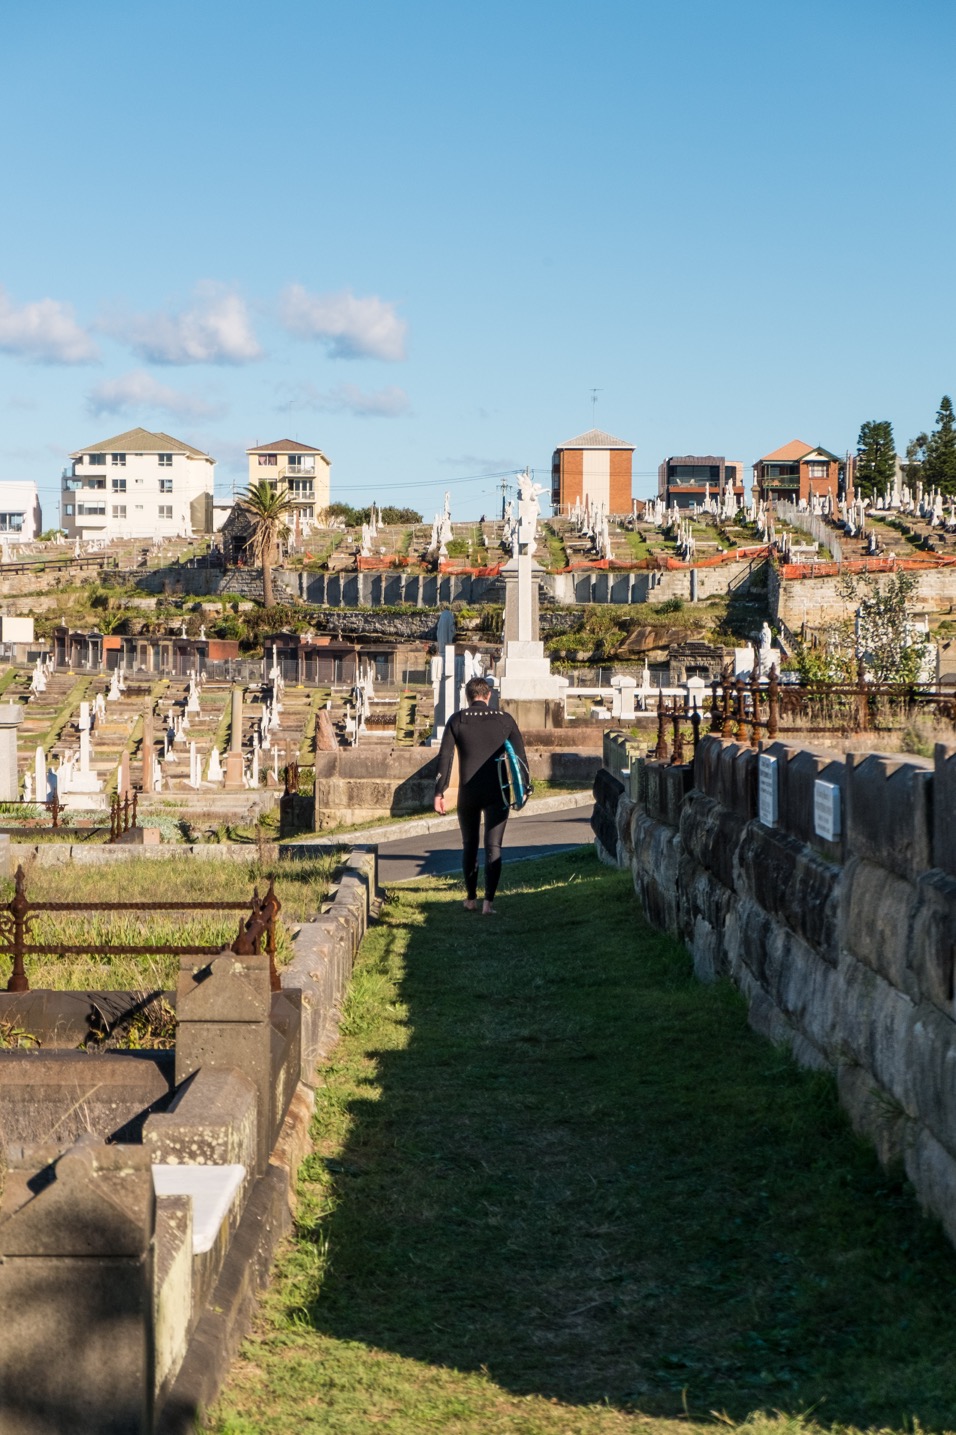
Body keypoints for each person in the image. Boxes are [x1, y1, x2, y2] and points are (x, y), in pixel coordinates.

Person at [434, 676, 528, 915]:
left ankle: (470, 899)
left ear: (467, 697)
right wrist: (524, 790)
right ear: (488, 696)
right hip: (498, 791)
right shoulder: (505, 719)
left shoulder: (457, 719)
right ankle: (488, 903)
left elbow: (445, 758)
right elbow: (520, 758)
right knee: (493, 845)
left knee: (470, 845)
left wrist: (439, 792)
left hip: (469, 793)